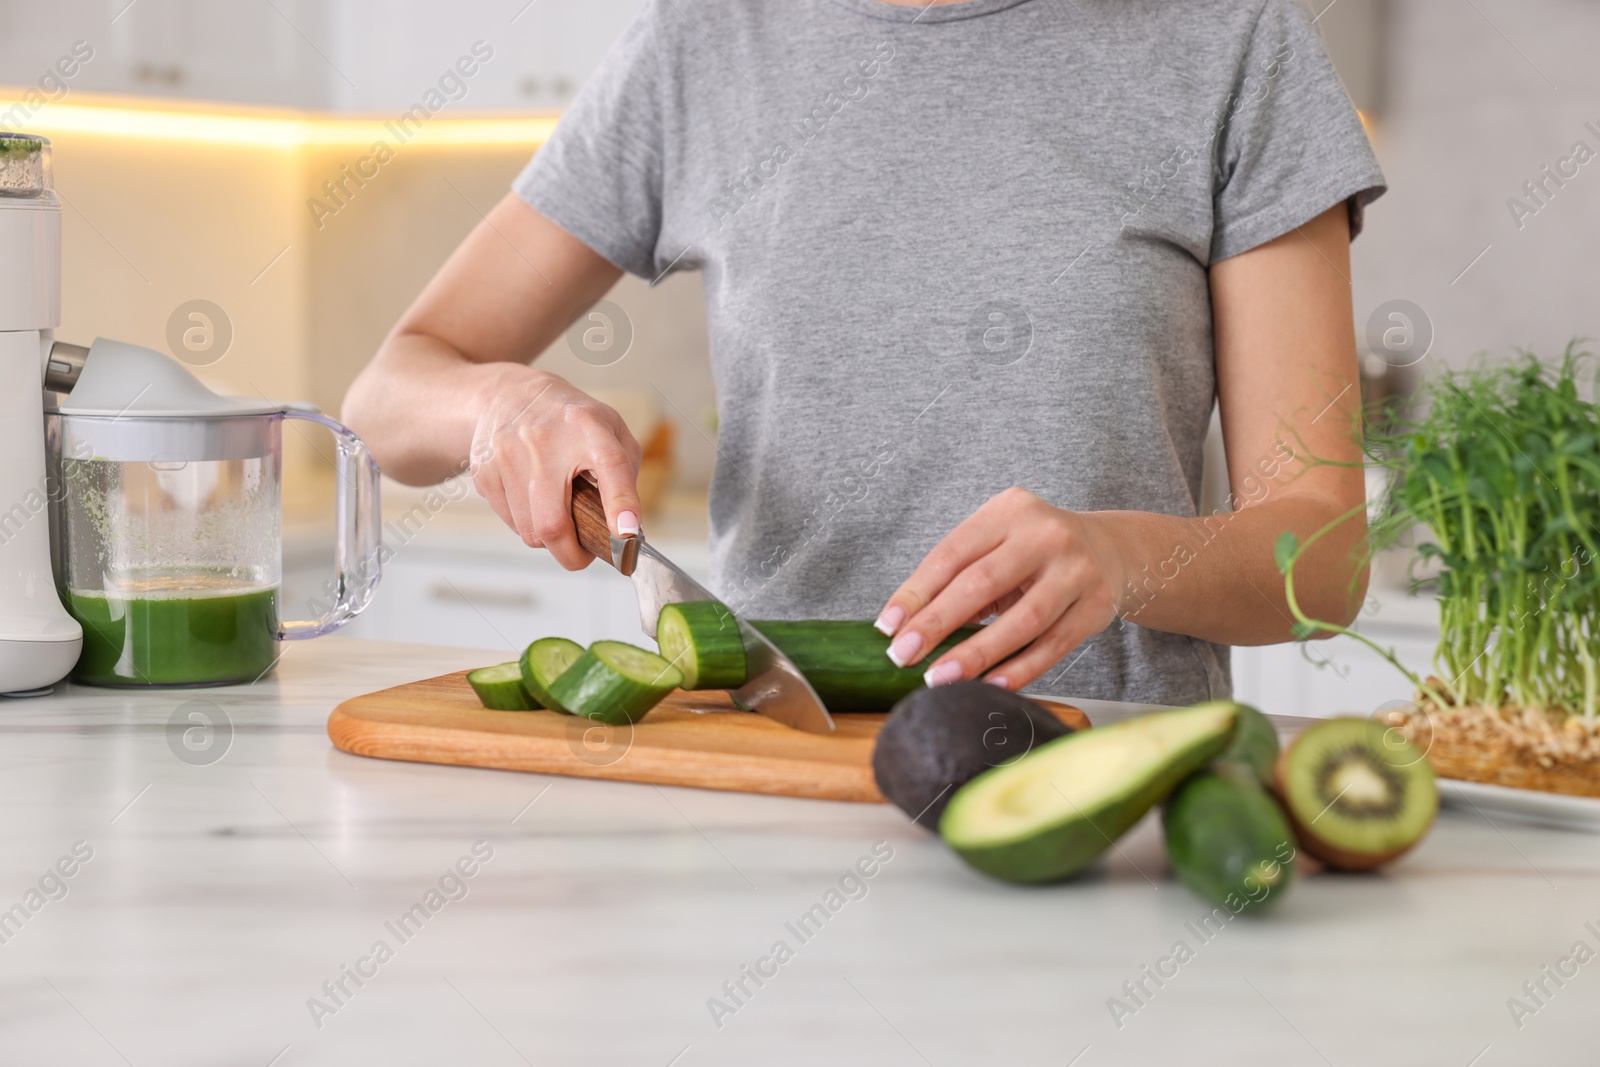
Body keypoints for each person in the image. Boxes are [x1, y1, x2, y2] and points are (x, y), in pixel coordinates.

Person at [343, 0, 1382, 705]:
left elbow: (1322, 557)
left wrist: (1124, 558)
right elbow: (390, 394)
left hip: (1102, 783)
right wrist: (499, 409)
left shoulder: (1235, 41)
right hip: (775, 769)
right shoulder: (704, 44)